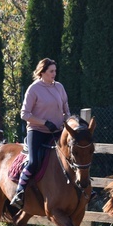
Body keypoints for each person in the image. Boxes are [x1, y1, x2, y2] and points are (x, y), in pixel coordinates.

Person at [10, 58, 70, 209]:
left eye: (55, 71)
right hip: (37, 131)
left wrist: (68, 122)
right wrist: (44, 122)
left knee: (72, 156)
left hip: (57, 131)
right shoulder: (34, 89)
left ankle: (83, 189)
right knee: (33, 161)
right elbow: (24, 114)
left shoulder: (59, 87)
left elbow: (66, 109)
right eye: (51, 71)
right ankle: (20, 191)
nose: (54, 74)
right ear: (42, 72)